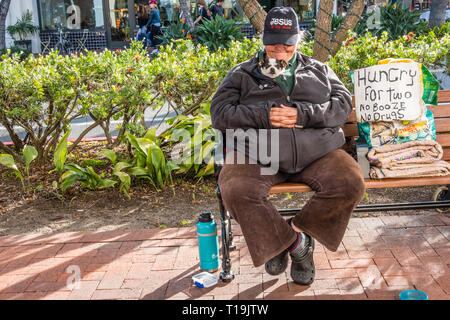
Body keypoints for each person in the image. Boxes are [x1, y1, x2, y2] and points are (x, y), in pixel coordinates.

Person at [210, 7, 365, 285]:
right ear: (262, 38)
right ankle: (293, 246)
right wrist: (264, 115)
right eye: (272, 44)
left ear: (298, 40)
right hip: (258, 154)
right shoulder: (242, 74)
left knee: (350, 181)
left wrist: (302, 114)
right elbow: (220, 112)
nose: (279, 52)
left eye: (287, 45)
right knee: (235, 188)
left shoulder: (320, 71)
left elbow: (342, 106)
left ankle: (294, 232)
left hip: (318, 153)